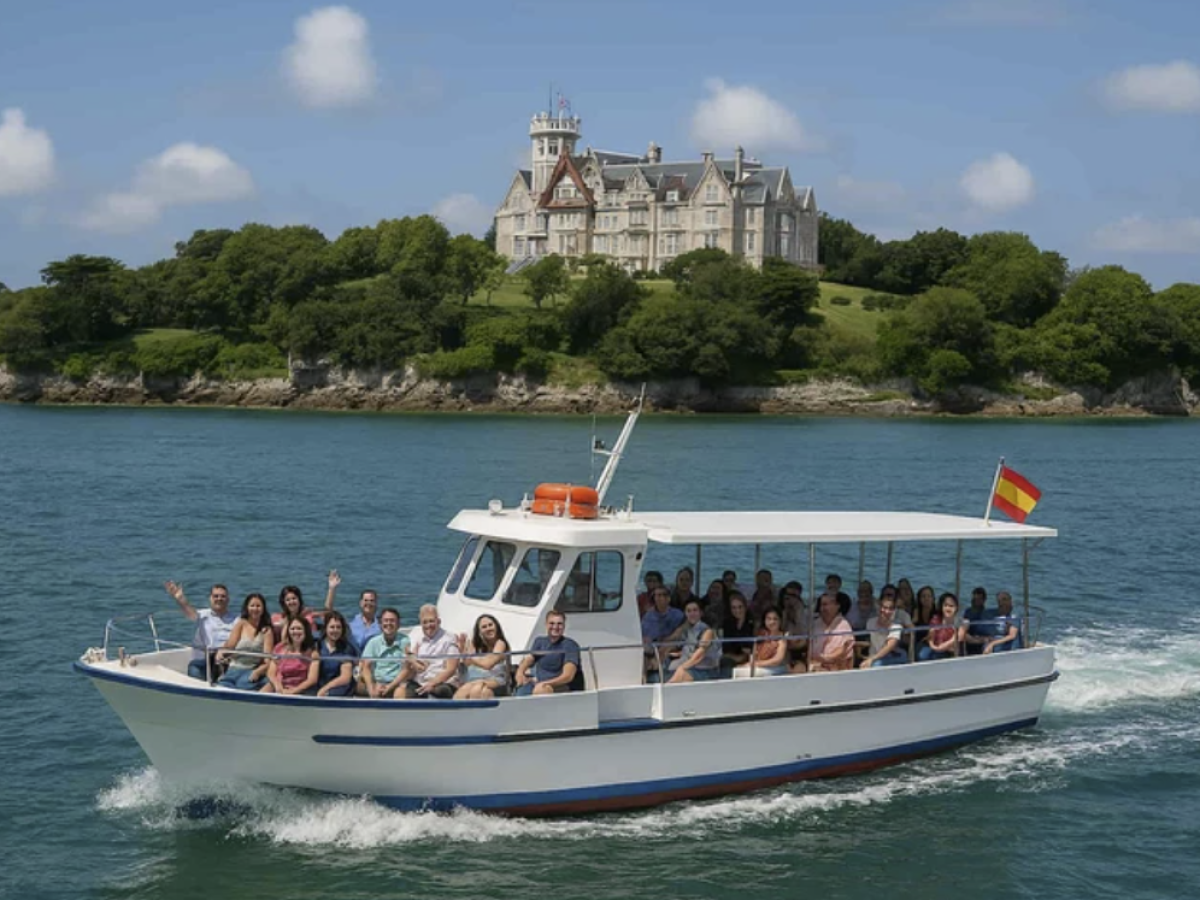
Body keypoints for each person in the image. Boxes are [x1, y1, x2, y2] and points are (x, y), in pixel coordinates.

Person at [164, 580, 239, 682]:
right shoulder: (203, 615)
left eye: (222, 596)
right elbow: (191, 613)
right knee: (194, 669)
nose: (219, 599)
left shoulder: (237, 620)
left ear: (228, 599)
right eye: (216, 596)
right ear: (210, 598)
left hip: (227, 661)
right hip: (204, 661)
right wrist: (180, 599)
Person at [215, 592, 275, 691]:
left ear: (263, 608)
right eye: (252, 605)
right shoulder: (241, 624)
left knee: (242, 686)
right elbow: (230, 645)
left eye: (258, 606)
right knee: (223, 687)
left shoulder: (266, 630)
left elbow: (267, 659)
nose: (255, 609)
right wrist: (221, 651)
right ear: (247, 607)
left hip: (251, 669)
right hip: (234, 668)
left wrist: (258, 671)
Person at [515, 611, 582, 696]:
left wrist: (544, 683)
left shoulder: (570, 645)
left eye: (559, 624)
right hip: (540, 683)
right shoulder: (539, 641)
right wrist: (520, 673)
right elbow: (529, 660)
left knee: (541, 690)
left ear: (564, 626)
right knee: (522, 688)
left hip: (560, 686)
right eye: (552, 623)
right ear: (546, 625)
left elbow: (568, 676)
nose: (555, 627)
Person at [404, 604, 462, 699]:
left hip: (443, 682)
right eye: (425, 622)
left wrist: (432, 683)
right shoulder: (416, 635)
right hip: (420, 681)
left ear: (438, 621)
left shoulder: (449, 638)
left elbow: (451, 669)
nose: (428, 625)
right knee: (407, 693)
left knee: (439, 691)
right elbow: (408, 652)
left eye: (431, 621)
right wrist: (414, 661)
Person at [454, 614, 511, 699]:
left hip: (496, 680)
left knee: (477, 690)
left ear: (496, 626)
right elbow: (469, 664)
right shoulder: (477, 645)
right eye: (484, 627)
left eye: (490, 625)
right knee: (462, 692)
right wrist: (462, 651)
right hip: (478, 679)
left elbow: (488, 664)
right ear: (479, 632)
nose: (488, 628)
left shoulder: (500, 643)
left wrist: (471, 656)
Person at [358, 608, 412, 698]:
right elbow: (365, 667)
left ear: (398, 625)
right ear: (380, 624)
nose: (388, 624)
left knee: (400, 693)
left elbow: (406, 669)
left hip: (398, 683)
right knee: (357, 686)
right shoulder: (373, 642)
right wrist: (371, 688)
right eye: (385, 621)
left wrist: (390, 687)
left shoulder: (406, 641)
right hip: (377, 682)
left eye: (392, 621)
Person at [665, 599, 721, 683]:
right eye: (689, 611)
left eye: (695, 610)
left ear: (701, 613)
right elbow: (690, 648)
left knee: (680, 673)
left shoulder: (707, 631)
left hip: (707, 670)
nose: (692, 614)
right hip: (693, 667)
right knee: (667, 667)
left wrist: (682, 667)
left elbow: (699, 655)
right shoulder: (688, 629)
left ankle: (665, 691)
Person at [262, 616, 320, 695]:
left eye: (299, 628)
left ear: (305, 631)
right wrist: (277, 685)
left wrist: (292, 691)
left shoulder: (312, 653)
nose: (295, 631)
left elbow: (312, 679)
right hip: (278, 685)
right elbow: (271, 672)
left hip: (300, 688)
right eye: (292, 629)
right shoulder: (280, 648)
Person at [641, 585, 684, 680]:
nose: (659, 598)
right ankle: (643, 680)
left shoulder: (677, 615)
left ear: (668, 598)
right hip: (650, 647)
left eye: (662, 595)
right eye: (657, 595)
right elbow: (644, 633)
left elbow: (681, 635)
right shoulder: (648, 616)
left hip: (670, 648)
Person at [735, 607, 790, 677]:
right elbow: (754, 654)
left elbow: (777, 660)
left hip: (777, 668)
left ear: (780, 621)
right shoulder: (761, 635)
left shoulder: (782, 638)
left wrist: (756, 664)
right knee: (738, 670)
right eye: (769, 619)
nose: (772, 622)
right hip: (761, 667)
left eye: (775, 619)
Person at [808, 592, 854, 672]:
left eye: (825, 605)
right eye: (821, 605)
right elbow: (810, 648)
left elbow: (840, 652)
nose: (822, 608)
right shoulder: (815, 624)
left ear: (837, 606)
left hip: (837, 667)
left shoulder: (844, 625)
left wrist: (822, 659)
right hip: (815, 665)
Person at [316, 610, 358, 697]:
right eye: (332, 627)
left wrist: (325, 688)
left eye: (338, 627)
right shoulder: (318, 645)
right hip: (321, 684)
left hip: (339, 687)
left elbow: (345, 678)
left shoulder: (347, 648)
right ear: (326, 628)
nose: (335, 630)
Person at [862, 595, 907, 668]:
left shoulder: (897, 626)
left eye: (890, 608)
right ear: (879, 607)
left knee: (876, 665)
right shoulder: (870, 622)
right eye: (884, 607)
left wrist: (871, 659)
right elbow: (870, 642)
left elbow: (889, 646)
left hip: (893, 655)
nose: (887, 611)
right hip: (875, 654)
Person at [719, 590, 757, 677]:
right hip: (731, 656)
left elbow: (750, 648)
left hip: (749, 657)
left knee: (726, 662)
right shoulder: (727, 623)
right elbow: (726, 647)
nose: (737, 610)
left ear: (745, 606)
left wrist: (742, 653)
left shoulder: (752, 623)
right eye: (734, 608)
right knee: (725, 661)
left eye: (740, 607)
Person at [919, 592, 962, 661]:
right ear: (941, 607)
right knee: (923, 655)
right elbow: (931, 639)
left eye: (951, 606)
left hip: (949, 650)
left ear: (956, 608)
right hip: (935, 647)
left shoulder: (960, 622)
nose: (948, 608)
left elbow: (955, 639)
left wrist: (940, 648)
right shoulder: (935, 619)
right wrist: (934, 647)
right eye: (945, 605)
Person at [778, 582, 809, 670]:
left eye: (794, 596)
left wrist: (797, 613)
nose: (791, 599)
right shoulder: (780, 612)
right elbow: (780, 630)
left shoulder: (804, 612)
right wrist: (785, 613)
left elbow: (803, 635)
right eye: (788, 596)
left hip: (799, 648)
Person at [962, 586, 991, 655]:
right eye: (974, 599)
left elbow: (988, 633)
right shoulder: (968, 612)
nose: (975, 601)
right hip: (970, 640)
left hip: (981, 641)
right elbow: (964, 630)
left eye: (978, 599)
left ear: (984, 600)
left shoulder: (987, 614)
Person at [913, 585, 938, 656]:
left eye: (929, 596)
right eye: (923, 596)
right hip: (919, 641)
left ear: (933, 599)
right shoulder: (916, 611)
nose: (926, 598)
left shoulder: (937, 613)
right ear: (919, 599)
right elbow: (911, 627)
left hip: (933, 641)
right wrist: (914, 620)